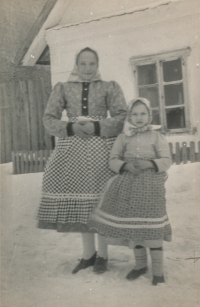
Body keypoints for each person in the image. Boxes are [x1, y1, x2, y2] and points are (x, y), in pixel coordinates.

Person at [38, 47, 127, 274]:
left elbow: (121, 116)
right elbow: (48, 119)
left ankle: (103, 256)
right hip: (72, 152)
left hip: (101, 152)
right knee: (82, 206)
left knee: (100, 204)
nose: (88, 68)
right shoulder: (63, 88)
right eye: (83, 64)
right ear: (76, 65)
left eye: (92, 64)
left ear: (98, 65)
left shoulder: (108, 87)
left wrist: (97, 126)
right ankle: (88, 255)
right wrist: (71, 127)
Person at [89, 97, 172, 285]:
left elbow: (167, 160)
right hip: (128, 188)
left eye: (143, 113)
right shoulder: (123, 137)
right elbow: (113, 159)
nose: (139, 117)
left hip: (151, 189)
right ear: (129, 116)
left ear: (149, 115)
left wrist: (150, 163)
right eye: (135, 114)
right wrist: (125, 166)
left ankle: (158, 271)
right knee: (135, 227)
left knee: (152, 228)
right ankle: (140, 265)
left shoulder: (157, 137)